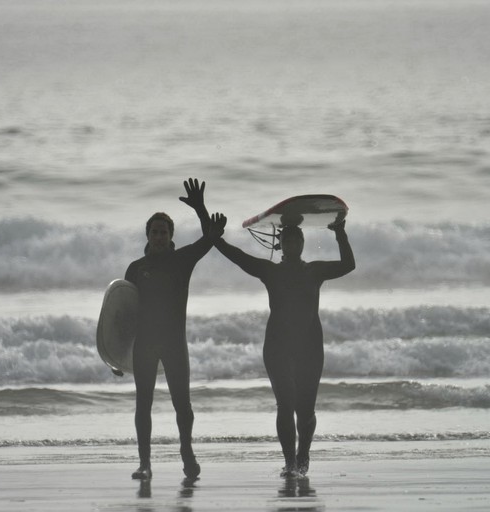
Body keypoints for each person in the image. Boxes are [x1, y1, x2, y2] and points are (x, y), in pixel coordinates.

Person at [213, 218, 355, 477]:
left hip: (310, 346)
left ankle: (304, 454)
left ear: (302, 244)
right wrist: (215, 237)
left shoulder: (314, 271)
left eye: (296, 240)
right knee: (285, 405)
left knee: (306, 410)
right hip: (278, 346)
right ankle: (290, 463)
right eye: (287, 241)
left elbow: (349, 265)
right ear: (280, 245)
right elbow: (239, 257)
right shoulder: (271, 271)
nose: (292, 245)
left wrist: (340, 233)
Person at [124, 178, 221, 481]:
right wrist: (117, 355)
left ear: (170, 235)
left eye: (164, 232)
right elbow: (123, 314)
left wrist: (200, 207)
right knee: (143, 405)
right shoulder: (135, 268)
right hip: (144, 345)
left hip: (174, 344)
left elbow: (210, 237)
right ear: (148, 235)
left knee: (183, 405)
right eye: (154, 232)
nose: (159, 237)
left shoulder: (182, 261)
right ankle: (145, 463)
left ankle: (187, 452)